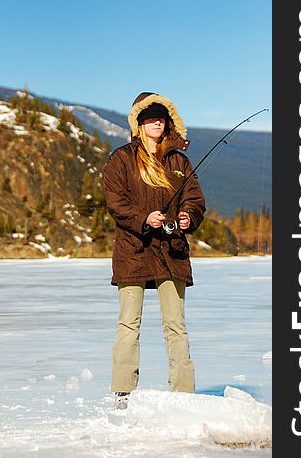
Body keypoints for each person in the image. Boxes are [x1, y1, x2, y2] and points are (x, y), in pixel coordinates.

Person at [102, 92, 206, 410]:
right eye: (149, 117)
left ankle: (183, 393)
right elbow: (115, 201)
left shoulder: (179, 161)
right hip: (133, 250)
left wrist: (189, 216)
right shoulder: (121, 158)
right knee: (128, 323)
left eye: (160, 117)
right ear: (138, 123)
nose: (155, 121)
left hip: (172, 251)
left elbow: (195, 198)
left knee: (175, 324)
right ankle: (122, 393)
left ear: (168, 123)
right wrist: (144, 218)